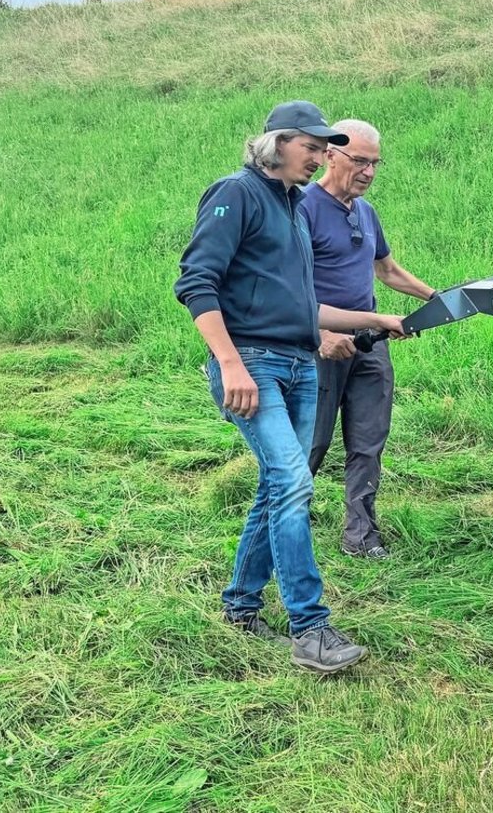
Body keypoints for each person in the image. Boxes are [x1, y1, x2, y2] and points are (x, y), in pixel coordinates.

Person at [174, 101, 403, 675]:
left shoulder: (294, 206)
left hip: (300, 365)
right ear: (278, 143)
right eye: (312, 147)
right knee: (294, 483)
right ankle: (310, 628)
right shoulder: (236, 193)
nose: (321, 158)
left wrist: (377, 319)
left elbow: (308, 305)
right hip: (254, 365)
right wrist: (230, 364)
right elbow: (197, 283)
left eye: (326, 149)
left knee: (277, 488)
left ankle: (241, 607)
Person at [301, 119, 436, 559]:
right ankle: (286, 522)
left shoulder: (365, 212)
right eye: (360, 161)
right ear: (330, 155)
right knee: (312, 440)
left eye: (375, 163)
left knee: (368, 440)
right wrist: (319, 333)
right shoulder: (302, 209)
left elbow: (387, 270)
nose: (369, 172)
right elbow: (287, 287)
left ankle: (360, 535)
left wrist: (438, 299)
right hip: (319, 347)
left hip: (368, 344)